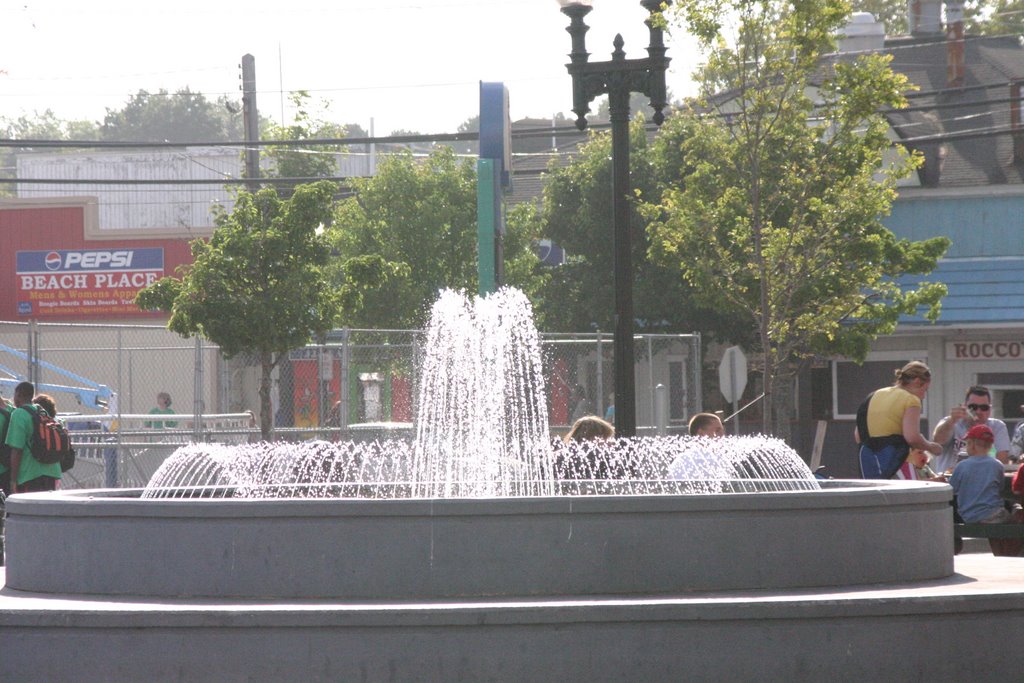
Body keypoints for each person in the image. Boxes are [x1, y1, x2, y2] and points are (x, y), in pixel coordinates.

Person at [854, 361, 942, 480]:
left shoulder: (874, 395)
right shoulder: (911, 400)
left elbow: (858, 435)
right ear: (916, 382)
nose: (923, 396)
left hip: (867, 456)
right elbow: (912, 437)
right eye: (925, 390)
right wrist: (931, 447)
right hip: (895, 460)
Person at [950, 424, 1022, 556]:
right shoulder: (997, 465)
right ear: (991, 446)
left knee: (999, 519)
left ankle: (1001, 554)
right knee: (1015, 520)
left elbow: (952, 489)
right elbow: (1000, 488)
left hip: (967, 516)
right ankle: (1005, 555)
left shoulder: (961, 466)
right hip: (993, 514)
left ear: (971, 445)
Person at [932, 385, 1010, 475]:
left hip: (983, 478)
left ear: (990, 409)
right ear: (965, 407)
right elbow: (937, 441)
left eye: (984, 408)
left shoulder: (997, 426)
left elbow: (1001, 460)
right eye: (973, 407)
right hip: (952, 479)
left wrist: (978, 427)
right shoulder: (952, 423)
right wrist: (951, 420)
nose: (978, 412)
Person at [4, 381, 61, 494]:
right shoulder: (41, 411)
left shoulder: (19, 414)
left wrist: (13, 481)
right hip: (52, 472)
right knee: (46, 510)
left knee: (30, 510)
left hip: (30, 475)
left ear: (19, 395)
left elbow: (17, 450)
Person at [556, 415, 616, 481]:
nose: (609, 442)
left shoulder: (559, 456)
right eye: (606, 438)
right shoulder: (603, 459)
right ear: (593, 437)